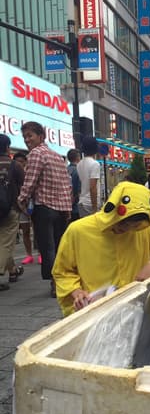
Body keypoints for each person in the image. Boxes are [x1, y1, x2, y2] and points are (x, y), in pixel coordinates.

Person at [52, 182, 150, 317]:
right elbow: (62, 271)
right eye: (124, 224)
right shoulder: (78, 231)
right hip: (94, 311)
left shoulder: (146, 228)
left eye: (134, 226)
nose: (126, 230)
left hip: (135, 309)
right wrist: (77, 292)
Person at [18, 121, 72, 298]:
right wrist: (68, 208)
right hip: (61, 209)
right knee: (59, 246)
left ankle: (55, 282)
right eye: (25, 136)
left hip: (45, 207)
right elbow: (67, 185)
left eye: (30, 136)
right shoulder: (57, 156)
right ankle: (62, 280)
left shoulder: (36, 154)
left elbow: (30, 180)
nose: (27, 140)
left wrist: (21, 199)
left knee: (47, 247)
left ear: (41, 136)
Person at [0, 135, 24, 290]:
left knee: (4, 242)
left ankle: (13, 270)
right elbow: (24, 185)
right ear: (7, 147)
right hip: (10, 209)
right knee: (5, 242)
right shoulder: (14, 165)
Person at [77, 136, 101, 217]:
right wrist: (95, 208)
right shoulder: (95, 164)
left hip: (82, 202)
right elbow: (92, 187)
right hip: (90, 204)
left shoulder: (79, 164)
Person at [67, 148, 81, 222]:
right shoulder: (78, 170)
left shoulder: (65, 169)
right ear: (78, 157)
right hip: (76, 207)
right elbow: (79, 191)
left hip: (65, 206)